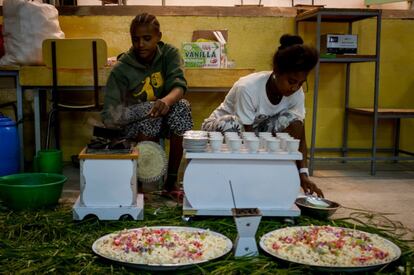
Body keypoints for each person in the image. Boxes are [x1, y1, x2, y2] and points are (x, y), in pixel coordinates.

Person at [202, 34, 323, 197]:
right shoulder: (248, 87)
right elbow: (247, 135)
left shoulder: (297, 93)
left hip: (254, 133)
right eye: (291, 81)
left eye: (301, 83)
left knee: (294, 122)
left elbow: (300, 133)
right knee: (233, 124)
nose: (295, 88)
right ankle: (232, 181)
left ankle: (278, 174)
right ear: (277, 72)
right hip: (222, 130)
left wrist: (303, 174)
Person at [101, 13, 193, 195]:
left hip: (162, 118)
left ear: (158, 37)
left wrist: (165, 101)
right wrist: (147, 108)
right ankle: (139, 184)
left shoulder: (169, 54)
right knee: (151, 115)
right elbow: (109, 116)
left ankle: (171, 181)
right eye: (136, 39)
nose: (141, 44)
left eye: (147, 38)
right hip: (131, 124)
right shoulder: (122, 68)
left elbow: (179, 85)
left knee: (181, 106)